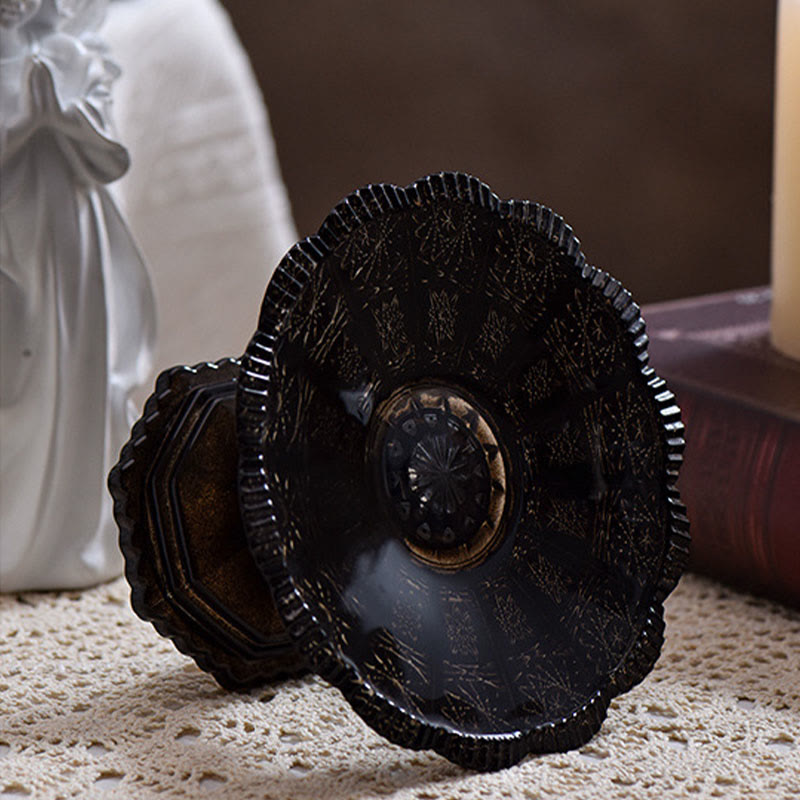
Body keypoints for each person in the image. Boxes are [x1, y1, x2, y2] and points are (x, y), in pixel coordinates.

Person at [0, 0, 156, 591]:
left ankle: (72, 534)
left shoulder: (76, 58)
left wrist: (61, 114)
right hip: (11, 234)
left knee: (74, 367)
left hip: (71, 232)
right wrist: (25, 119)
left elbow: (110, 156)